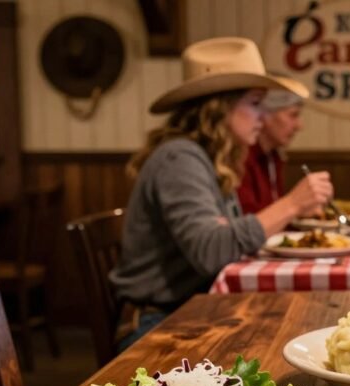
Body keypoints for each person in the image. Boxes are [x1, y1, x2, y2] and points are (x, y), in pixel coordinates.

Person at [110, 37, 333, 348]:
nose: (262, 116)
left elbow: (224, 239)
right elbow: (211, 252)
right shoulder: (180, 158)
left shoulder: (209, 159)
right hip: (156, 322)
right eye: (255, 104)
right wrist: (292, 204)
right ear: (220, 107)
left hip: (190, 310)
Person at [236, 79, 325, 214]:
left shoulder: (273, 156)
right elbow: (247, 222)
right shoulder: (241, 156)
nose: (299, 126)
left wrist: (302, 213)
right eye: (293, 115)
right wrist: (295, 203)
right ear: (265, 115)